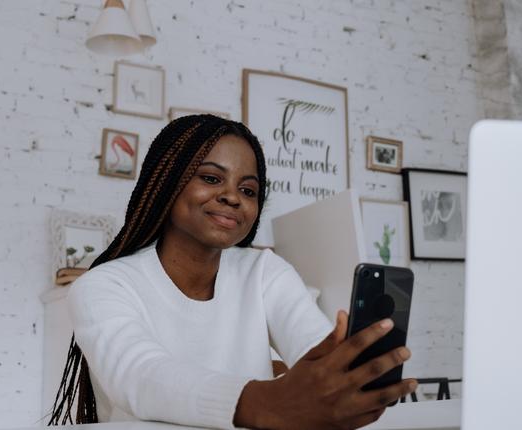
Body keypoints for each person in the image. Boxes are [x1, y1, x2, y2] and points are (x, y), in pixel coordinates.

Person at [49, 115, 417, 429]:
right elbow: (141, 378)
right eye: (211, 178)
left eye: (248, 189)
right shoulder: (103, 285)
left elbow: (311, 345)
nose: (233, 196)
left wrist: (337, 370)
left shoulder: (263, 271)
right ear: (166, 183)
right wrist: (271, 400)